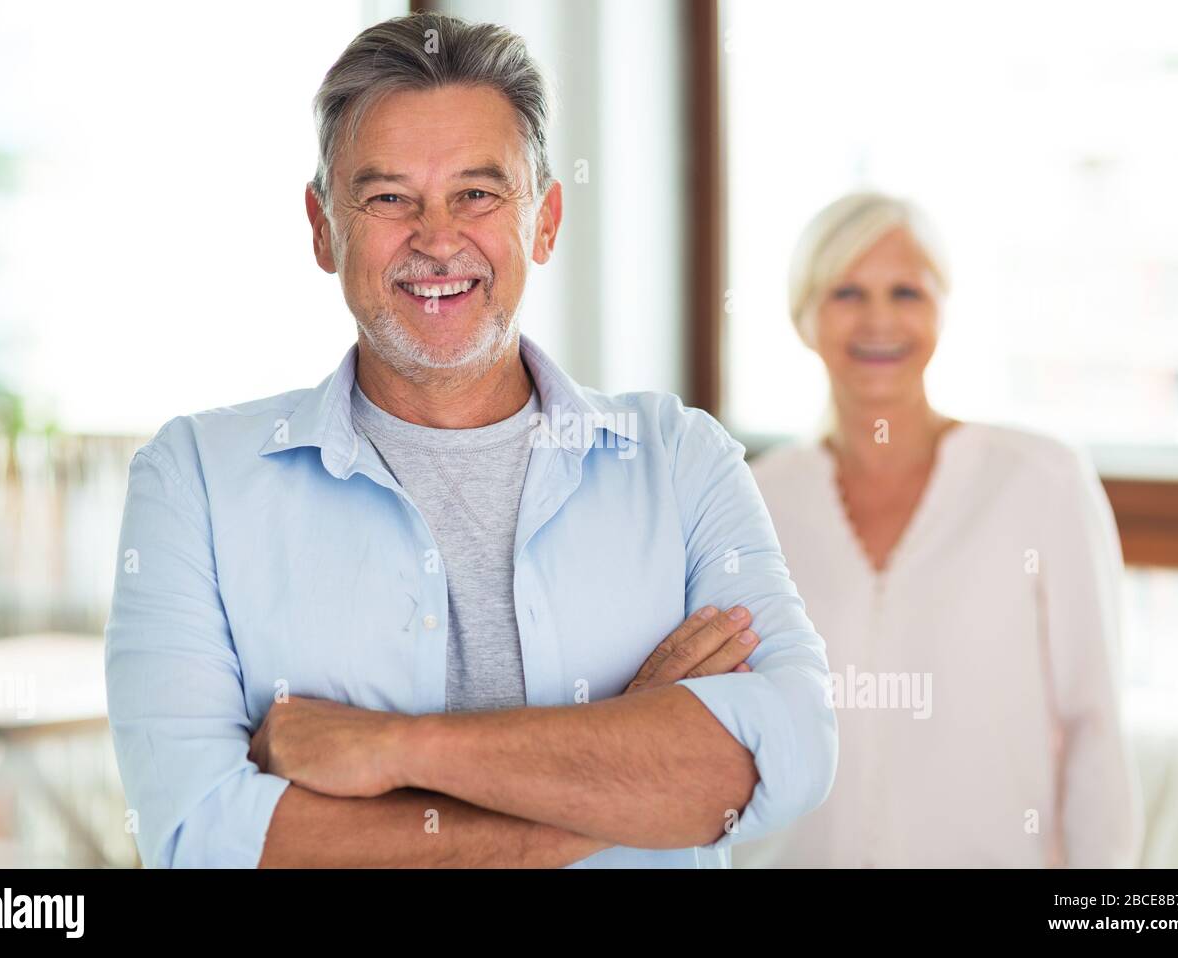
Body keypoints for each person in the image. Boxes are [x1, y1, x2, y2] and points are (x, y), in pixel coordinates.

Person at [103, 12, 837, 869]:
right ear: (320, 227)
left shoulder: (681, 462)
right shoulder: (192, 482)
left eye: (478, 195)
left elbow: (787, 752)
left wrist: (396, 749)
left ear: (546, 221)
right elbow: (204, 842)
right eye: (387, 198)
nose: (438, 238)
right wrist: (625, 766)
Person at [735, 192, 1141, 867]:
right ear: (803, 318)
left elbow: (1093, 725)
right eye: (846, 292)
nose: (879, 320)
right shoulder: (756, 497)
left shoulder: (1041, 480)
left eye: (907, 292)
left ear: (944, 309)